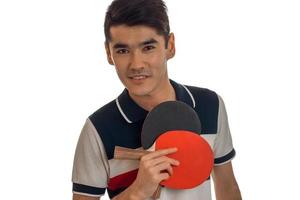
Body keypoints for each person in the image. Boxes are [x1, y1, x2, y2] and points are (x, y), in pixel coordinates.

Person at [72, 0, 242, 199]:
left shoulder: (210, 106)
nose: (136, 64)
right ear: (109, 54)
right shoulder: (98, 129)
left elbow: (227, 188)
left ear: (170, 46)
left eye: (148, 48)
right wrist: (138, 190)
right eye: (122, 51)